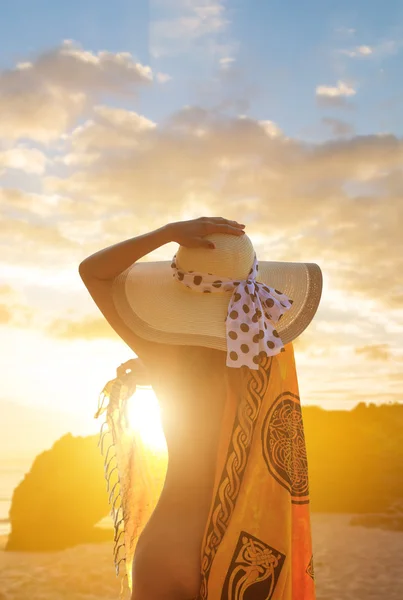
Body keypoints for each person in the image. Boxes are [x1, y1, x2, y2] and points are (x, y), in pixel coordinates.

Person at [78, 216, 322, 600]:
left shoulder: (164, 355)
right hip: (249, 546)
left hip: (169, 543)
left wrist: (167, 232)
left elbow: (93, 271)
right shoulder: (267, 354)